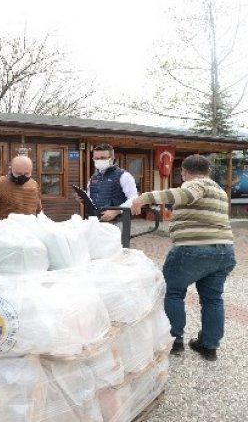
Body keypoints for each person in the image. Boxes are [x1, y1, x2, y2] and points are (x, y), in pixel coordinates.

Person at [131, 154, 236, 361]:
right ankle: (209, 345)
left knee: (173, 292)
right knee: (212, 299)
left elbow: (186, 194)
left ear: (184, 173)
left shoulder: (196, 184)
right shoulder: (219, 191)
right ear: (208, 171)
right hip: (224, 251)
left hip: (193, 250)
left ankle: (174, 340)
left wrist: (145, 198)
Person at [87, 144, 138, 227]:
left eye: (103, 158)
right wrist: (83, 199)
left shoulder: (124, 176)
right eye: (96, 158)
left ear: (112, 159)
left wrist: (116, 211)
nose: (99, 160)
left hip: (118, 223)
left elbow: (134, 198)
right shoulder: (93, 177)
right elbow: (91, 199)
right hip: (96, 221)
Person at [0, 155, 42, 219]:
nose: (23, 177)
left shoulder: (34, 184)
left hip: (29, 228)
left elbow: (38, 212)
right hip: (3, 228)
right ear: (10, 169)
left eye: (26, 174)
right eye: (18, 173)